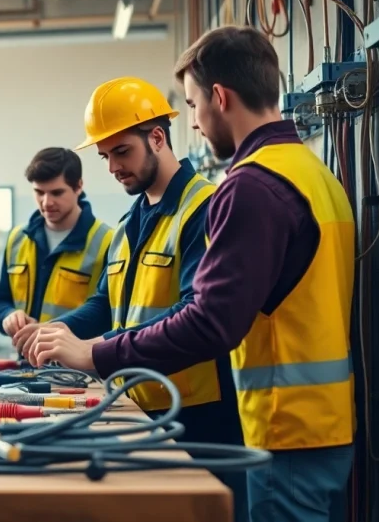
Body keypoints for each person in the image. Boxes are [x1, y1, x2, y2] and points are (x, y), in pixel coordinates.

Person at [30, 26, 356, 522]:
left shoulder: (247, 187)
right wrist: (66, 332)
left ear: (219, 97)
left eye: (194, 104)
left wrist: (96, 353)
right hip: (319, 423)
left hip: (273, 425)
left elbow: (210, 321)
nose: (197, 124)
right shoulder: (311, 172)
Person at [33, 76, 247, 521]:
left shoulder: (204, 207)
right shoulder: (130, 221)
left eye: (122, 152)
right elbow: (105, 302)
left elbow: (196, 313)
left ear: (156, 137)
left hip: (200, 416)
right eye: (105, 156)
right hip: (137, 403)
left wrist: (95, 351)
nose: (112, 167)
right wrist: (60, 330)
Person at [0, 147, 113, 355]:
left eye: (57, 192)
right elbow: (0, 301)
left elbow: (107, 312)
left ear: (78, 187)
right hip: (27, 368)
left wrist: (51, 331)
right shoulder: (17, 239)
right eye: (39, 192)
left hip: (81, 372)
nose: (46, 203)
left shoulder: (108, 241)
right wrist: (7, 316)